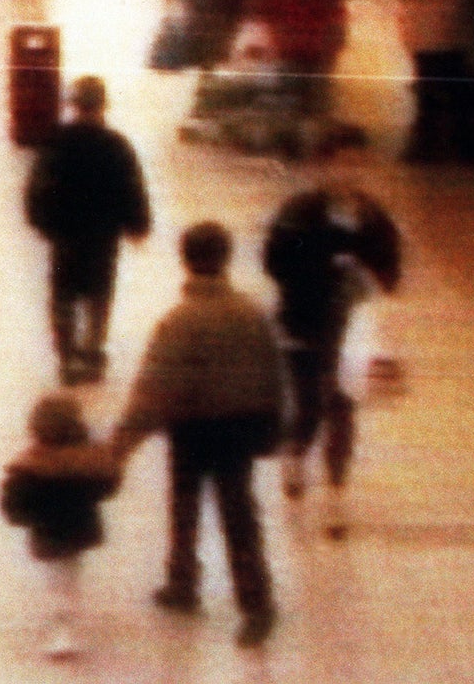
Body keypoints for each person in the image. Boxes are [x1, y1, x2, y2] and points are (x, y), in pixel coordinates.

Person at [112, 221, 282, 648]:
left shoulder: (179, 321)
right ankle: (256, 603)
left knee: (184, 507)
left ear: (186, 260)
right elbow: (273, 373)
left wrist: (120, 446)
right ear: (226, 258)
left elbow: (154, 388)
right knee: (239, 514)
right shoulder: (251, 312)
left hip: (191, 431)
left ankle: (183, 582)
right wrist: (273, 427)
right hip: (239, 429)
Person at [263, 186, 400, 535]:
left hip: (347, 330)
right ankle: (295, 457)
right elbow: (275, 261)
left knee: (341, 408)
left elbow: (390, 266)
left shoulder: (372, 215)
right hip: (303, 321)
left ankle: (336, 499)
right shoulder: (300, 209)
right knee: (308, 404)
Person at [24, 76, 151, 385]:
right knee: (98, 295)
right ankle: (93, 354)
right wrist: (137, 223)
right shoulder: (116, 145)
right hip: (102, 237)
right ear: (102, 105)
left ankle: (67, 358)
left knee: (63, 296)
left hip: (65, 236)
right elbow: (132, 188)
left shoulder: (56, 142)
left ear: (74, 105)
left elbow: (36, 188)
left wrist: (42, 223)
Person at [0, 392, 120, 659]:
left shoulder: (31, 464)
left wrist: (22, 516)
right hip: (81, 528)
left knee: (56, 582)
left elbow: (13, 501)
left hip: (47, 531)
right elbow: (109, 483)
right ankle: (67, 625)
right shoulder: (89, 458)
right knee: (69, 577)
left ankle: (63, 632)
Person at [369, 0, 474, 163]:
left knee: (428, 91)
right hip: (455, 28)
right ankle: (467, 146)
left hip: (426, 29)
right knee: (456, 88)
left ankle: (426, 148)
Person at [247, 0, 359, 154]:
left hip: (287, 37)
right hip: (322, 37)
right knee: (318, 95)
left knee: (291, 92)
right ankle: (316, 143)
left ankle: (288, 141)